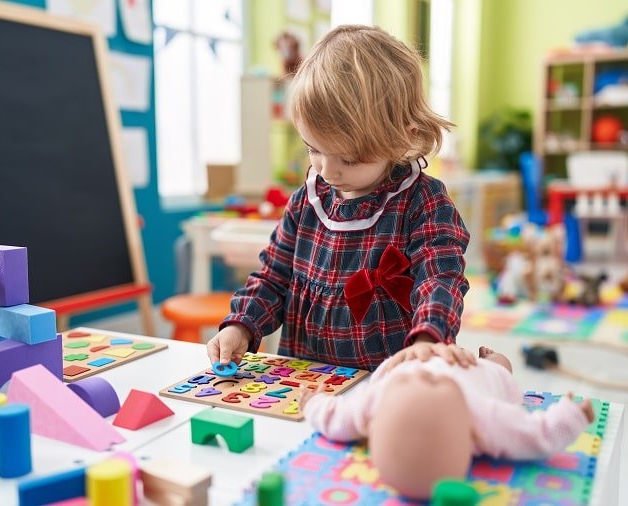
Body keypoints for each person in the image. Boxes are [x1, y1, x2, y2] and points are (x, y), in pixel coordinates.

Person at [207, 25, 470, 371]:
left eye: (349, 158)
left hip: (383, 382)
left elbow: (439, 279)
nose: (328, 171)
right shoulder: (307, 201)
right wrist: (242, 324)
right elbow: (273, 278)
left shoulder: (423, 202)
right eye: (313, 149)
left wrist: (428, 338)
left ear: (402, 136)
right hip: (302, 381)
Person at [299, 346, 596, 500]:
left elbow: (332, 417)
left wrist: (311, 402)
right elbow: (537, 435)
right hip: (476, 371)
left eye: (413, 386)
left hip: (410, 355)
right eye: (435, 391)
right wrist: (572, 415)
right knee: (502, 369)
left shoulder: (374, 400)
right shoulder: (481, 415)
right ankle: (493, 355)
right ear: (470, 439)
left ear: (371, 427)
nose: (425, 379)